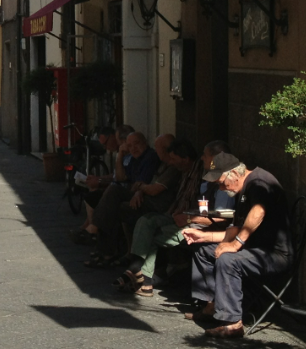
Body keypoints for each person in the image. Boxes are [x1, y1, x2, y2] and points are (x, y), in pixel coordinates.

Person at [182, 154, 293, 337]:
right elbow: (235, 229)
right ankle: (212, 305)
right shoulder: (241, 189)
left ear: (233, 173)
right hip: (253, 248)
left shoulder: (258, 181)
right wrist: (204, 236)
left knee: (228, 259)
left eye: (220, 182)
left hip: (274, 254)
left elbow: (258, 212)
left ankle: (233, 323)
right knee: (203, 249)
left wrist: (236, 244)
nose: (220, 187)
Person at [115, 139, 206, 295]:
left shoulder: (201, 174)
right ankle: (138, 270)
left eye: (174, 159)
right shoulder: (183, 171)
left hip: (189, 220)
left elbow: (204, 209)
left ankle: (142, 278)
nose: (170, 162)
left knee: (150, 234)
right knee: (145, 221)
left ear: (185, 158)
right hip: (174, 214)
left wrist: (188, 217)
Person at [83, 133, 174, 266]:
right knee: (111, 204)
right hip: (138, 195)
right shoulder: (134, 158)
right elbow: (120, 178)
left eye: (136, 144)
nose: (133, 148)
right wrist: (120, 155)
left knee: (114, 197)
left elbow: (148, 187)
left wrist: (140, 189)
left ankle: (99, 238)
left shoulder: (152, 157)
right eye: (129, 145)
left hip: (151, 202)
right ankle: (104, 248)